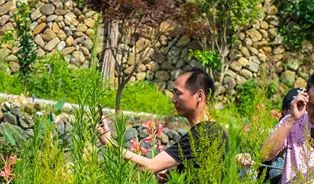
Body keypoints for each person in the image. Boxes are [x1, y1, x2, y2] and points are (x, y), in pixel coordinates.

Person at [97, 68, 228, 177]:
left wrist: (109, 144)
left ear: (199, 96)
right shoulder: (216, 131)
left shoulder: (202, 134)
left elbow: (149, 166)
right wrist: (172, 175)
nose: (173, 100)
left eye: (178, 94)